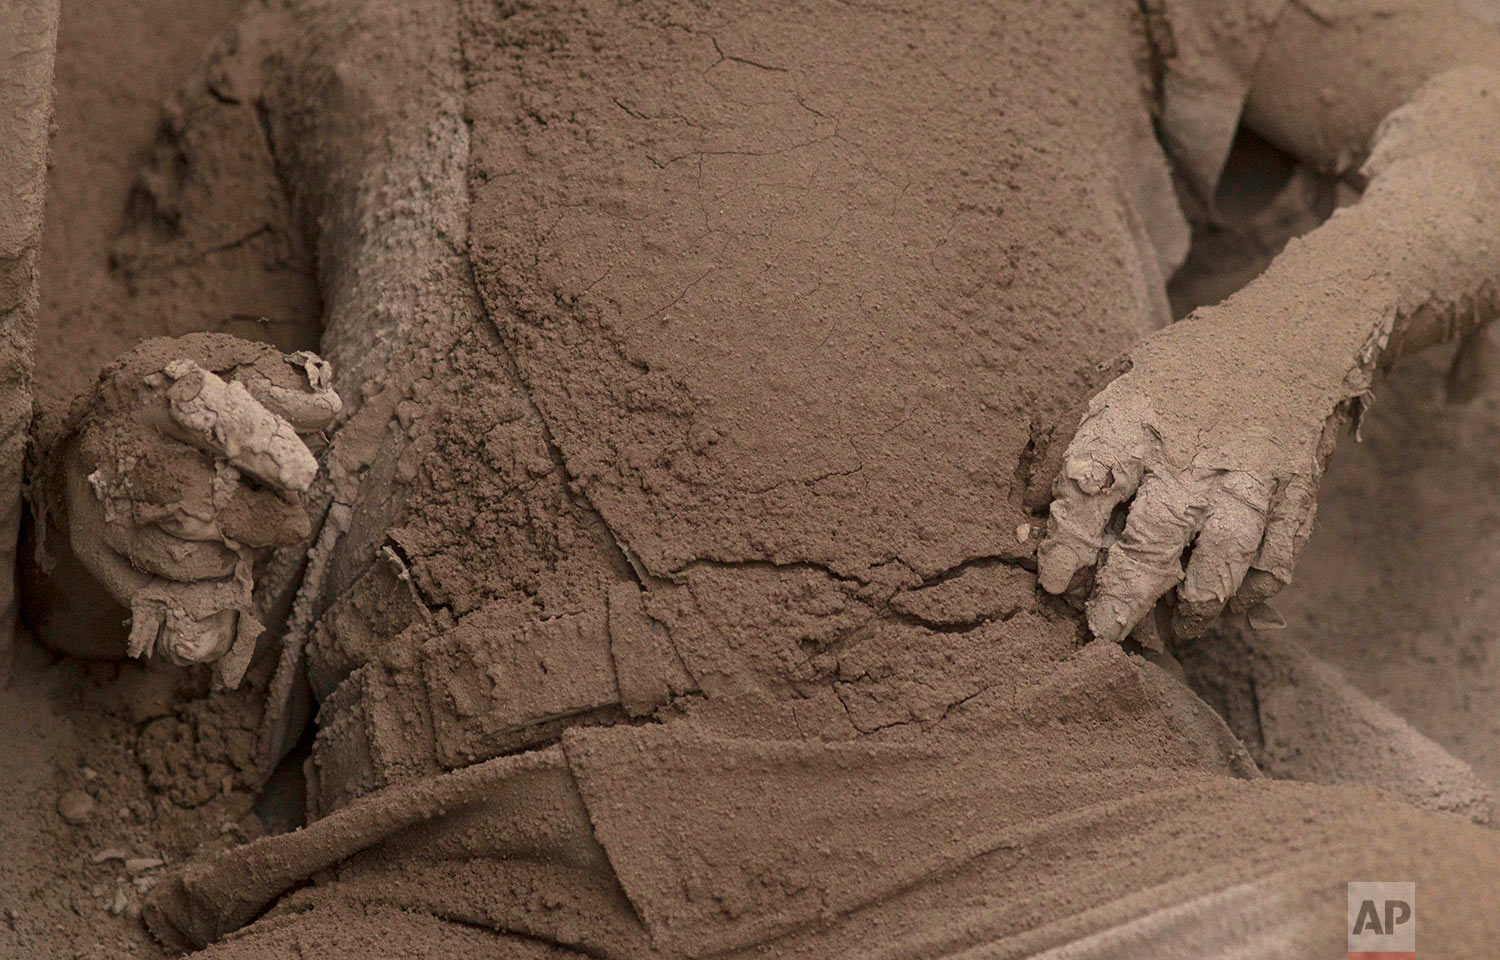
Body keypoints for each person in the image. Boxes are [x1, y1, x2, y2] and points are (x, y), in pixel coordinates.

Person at [19, 0, 1500, 955]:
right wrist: (127, 500)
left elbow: (1475, 96)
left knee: (1419, 918)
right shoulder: (311, 35)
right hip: (480, 851)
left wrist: (1301, 334)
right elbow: (109, 562)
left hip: (1030, 804)